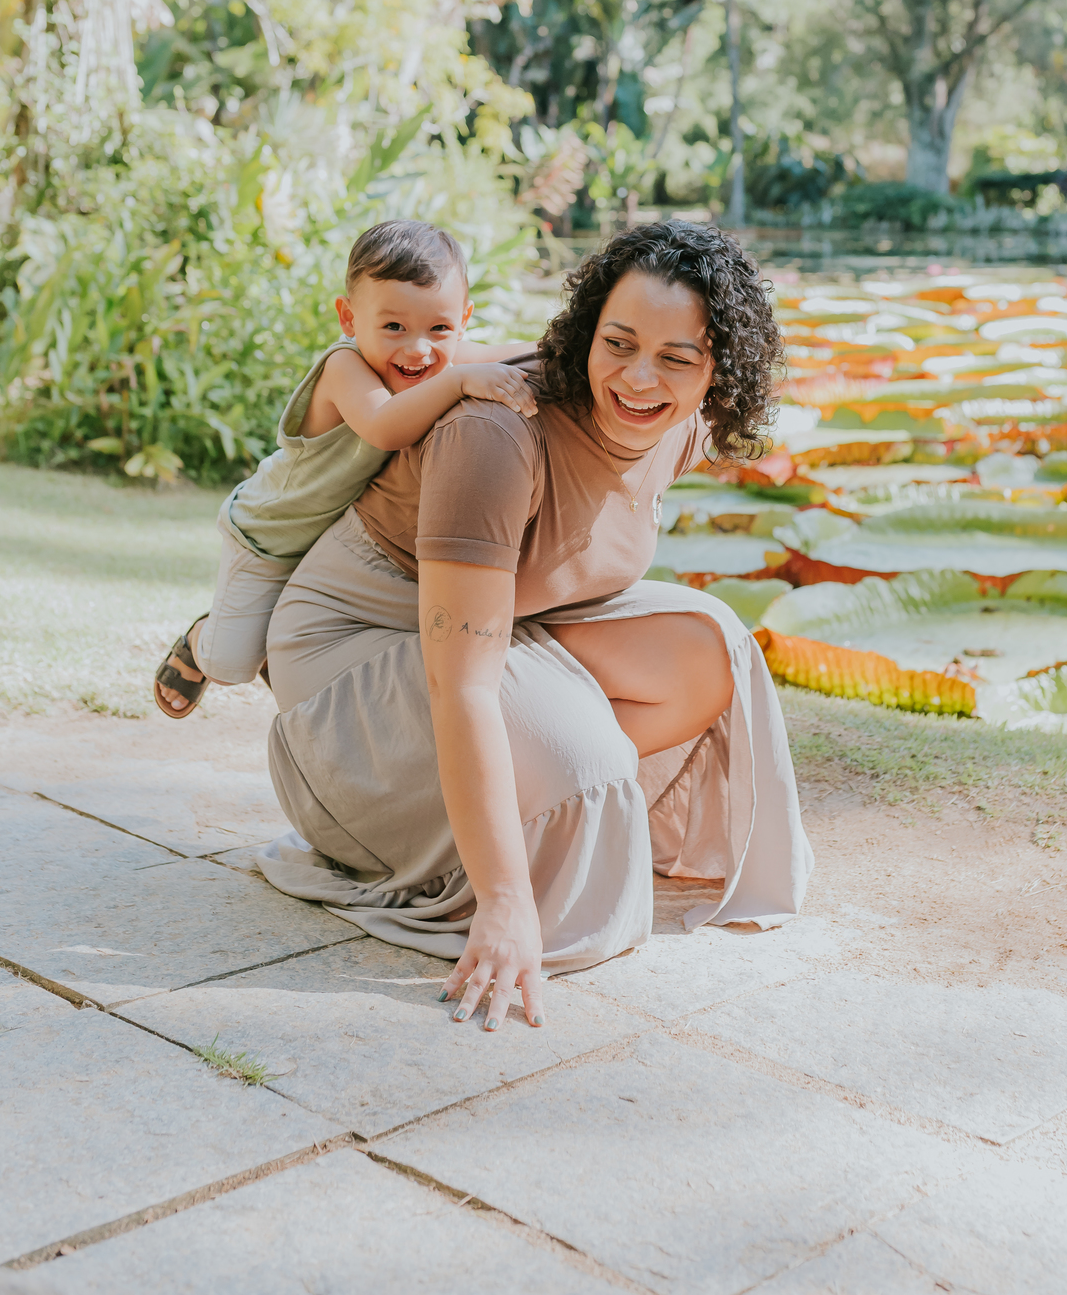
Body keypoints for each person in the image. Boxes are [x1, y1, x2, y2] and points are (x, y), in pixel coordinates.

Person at [260, 219, 813, 1030]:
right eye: (618, 343)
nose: (637, 378)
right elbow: (463, 685)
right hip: (350, 659)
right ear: (587, 331)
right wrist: (508, 898)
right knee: (580, 770)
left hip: (494, 624)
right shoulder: (494, 433)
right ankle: (499, 821)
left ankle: (537, 790)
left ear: (717, 371)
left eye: (676, 357)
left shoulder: (677, 425)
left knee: (711, 653)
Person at [153, 219, 535, 718]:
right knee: (230, 662)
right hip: (270, 534)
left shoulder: (442, 357)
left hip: (333, 534)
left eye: (439, 328)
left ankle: (271, 637)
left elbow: (519, 352)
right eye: (393, 326)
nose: (418, 349)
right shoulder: (345, 367)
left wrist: (576, 349)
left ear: (463, 318)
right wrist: (461, 380)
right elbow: (383, 426)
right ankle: (201, 636)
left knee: (299, 635)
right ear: (350, 319)